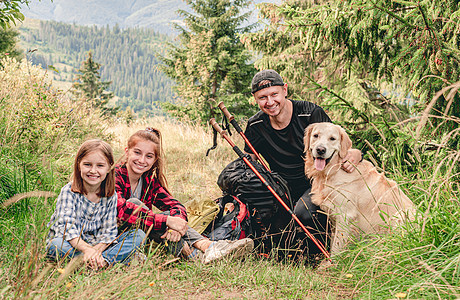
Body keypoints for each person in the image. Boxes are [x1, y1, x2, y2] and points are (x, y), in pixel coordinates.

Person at [243, 69, 362, 259]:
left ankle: (320, 254)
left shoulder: (310, 112)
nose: (270, 102)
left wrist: (356, 153)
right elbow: (249, 163)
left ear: (285, 90)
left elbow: (335, 142)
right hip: (281, 186)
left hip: (315, 183)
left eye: (274, 94)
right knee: (275, 229)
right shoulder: (255, 125)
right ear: (256, 100)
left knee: (304, 213)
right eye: (262, 97)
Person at [115, 127, 253, 264]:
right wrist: (167, 221)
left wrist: (175, 222)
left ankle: (204, 251)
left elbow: (175, 205)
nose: (142, 160)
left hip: (141, 233)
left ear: (154, 159)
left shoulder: (148, 181)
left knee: (166, 216)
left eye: (149, 156)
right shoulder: (114, 176)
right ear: (127, 152)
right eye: (137, 153)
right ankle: (205, 249)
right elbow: (121, 209)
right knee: (138, 206)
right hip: (114, 235)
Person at [46, 139, 145, 270]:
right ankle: (110, 259)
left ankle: (99, 261)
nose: (93, 171)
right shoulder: (69, 192)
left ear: (109, 167)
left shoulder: (110, 195)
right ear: (78, 165)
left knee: (139, 235)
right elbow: (68, 232)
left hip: (98, 245)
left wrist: (96, 251)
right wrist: (87, 250)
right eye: (87, 165)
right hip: (72, 244)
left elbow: (109, 233)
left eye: (100, 166)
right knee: (55, 246)